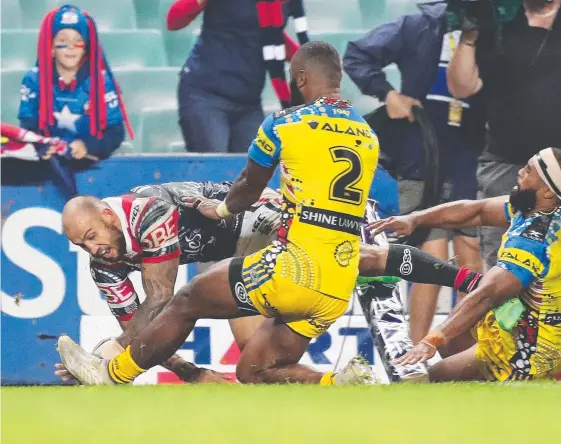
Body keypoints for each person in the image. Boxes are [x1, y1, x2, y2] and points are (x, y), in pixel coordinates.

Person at [57, 41, 481, 386]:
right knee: (254, 371)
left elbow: (246, 190)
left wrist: (220, 208)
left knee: (187, 300)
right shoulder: (366, 134)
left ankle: (112, 377)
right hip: (335, 282)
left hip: (293, 263)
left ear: (300, 79)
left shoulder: (284, 123)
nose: (89, 247)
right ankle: (343, 383)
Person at [343, 1, 484, 344]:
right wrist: (388, 94)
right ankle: (414, 358)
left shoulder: (493, 26)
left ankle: (466, 354)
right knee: (429, 251)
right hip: (419, 154)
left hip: (472, 154)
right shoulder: (422, 24)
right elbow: (357, 55)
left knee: (471, 252)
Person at [56, 181, 282, 383]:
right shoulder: (103, 265)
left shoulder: (149, 211)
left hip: (262, 215)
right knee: (258, 363)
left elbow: (160, 297)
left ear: (108, 215)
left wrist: (104, 356)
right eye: (82, 245)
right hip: (237, 254)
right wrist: (189, 372)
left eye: (92, 236)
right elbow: (140, 330)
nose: (93, 250)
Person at [369, 147, 561, 381]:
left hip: (531, 348)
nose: (520, 172)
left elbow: (487, 294)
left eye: (529, 170)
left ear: (548, 192)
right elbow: (476, 211)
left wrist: (432, 339)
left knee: (430, 380)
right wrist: (414, 219)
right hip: (518, 322)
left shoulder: (534, 240)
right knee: (453, 342)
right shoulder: (535, 207)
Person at [447, 0, 561, 270]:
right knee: (503, 262)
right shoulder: (497, 20)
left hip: (560, 165)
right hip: (506, 163)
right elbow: (462, 87)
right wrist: (469, 34)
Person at [17, 4, 133, 199]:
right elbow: (28, 127)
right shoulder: (33, 79)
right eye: (62, 41)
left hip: (91, 165)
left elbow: (116, 132)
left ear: (86, 48)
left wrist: (88, 145)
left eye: (78, 41)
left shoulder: (101, 81)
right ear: (51, 47)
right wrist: (42, 146)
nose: (71, 48)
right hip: (48, 164)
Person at [167, 0, 309, 153]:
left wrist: (311, 63)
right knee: (213, 173)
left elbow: (269, 34)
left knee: (255, 171)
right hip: (206, 96)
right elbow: (173, 21)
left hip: (249, 103)